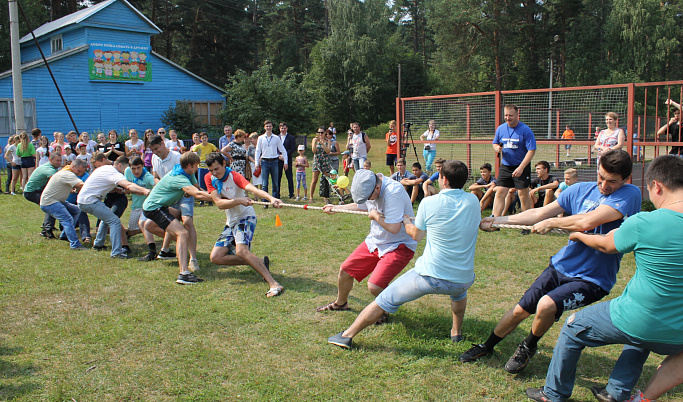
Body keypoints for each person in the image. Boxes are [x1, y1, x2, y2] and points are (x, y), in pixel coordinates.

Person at [460, 150, 641, 375]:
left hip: (592, 279)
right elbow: (539, 213)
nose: (604, 185)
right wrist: (499, 219)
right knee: (519, 310)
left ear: (625, 179)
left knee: (546, 304)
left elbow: (587, 221)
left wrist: (556, 223)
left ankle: (528, 346)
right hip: (561, 266)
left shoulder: (630, 194)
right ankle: (486, 346)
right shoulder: (580, 190)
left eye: (612, 181)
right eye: (601, 177)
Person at [526, 154, 683, 402]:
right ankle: (616, 393)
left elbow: (606, 245)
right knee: (640, 339)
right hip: (678, 332)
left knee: (572, 327)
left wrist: (579, 235)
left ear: (657, 186)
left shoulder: (645, 221)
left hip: (636, 318)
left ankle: (553, 394)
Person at [327, 160, 480, 349]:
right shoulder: (473, 201)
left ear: (443, 179)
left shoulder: (429, 203)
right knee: (459, 294)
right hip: (463, 278)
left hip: (430, 276)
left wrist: (406, 221)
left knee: (384, 298)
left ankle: (347, 335)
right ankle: (456, 333)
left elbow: (416, 235)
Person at [317, 169, 418, 326]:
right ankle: (341, 303)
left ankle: (384, 308)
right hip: (376, 240)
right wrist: (337, 208)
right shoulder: (370, 185)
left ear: (377, 188)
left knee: (374, 286)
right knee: (345, 271)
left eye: (369, 196)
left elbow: (394, 228)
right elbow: (362, 205)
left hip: (399, 245)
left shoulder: (393, 192)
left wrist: (376, 216)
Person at [204, 152, 285, 297]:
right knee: (215, 257)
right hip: (231, 221)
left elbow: (253, 189)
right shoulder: (209, 178)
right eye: (211, 170)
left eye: (216, 169)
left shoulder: (234, 176)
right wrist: (239, 200)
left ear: (224, 164)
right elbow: (219, 204)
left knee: (241, 251)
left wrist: (271, 198)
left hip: (246, 216)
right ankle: (258, 262)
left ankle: (274, 284)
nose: (214, 173)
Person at [142, 152, 214, 284]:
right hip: (154, 207)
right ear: (189, 165)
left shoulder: (187, 172)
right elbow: (197, 194)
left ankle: (166, 252)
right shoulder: (178, 176)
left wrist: (213, 195)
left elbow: (196, 189)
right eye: (196, 166)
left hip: (161, 206)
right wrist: (219, 199)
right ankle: (184, 274)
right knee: (182, 233)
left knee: (174, 224)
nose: (197, 169)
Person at [77, 156, 150, 258]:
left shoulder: (105, 168)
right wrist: (145, 190)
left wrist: (115, 189)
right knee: (114, 221)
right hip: (89, 201)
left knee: (107, 217)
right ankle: (117, 252)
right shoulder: (114, 172)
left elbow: (99, 183)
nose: (124, 173)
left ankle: (98, 244)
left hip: (84, 199)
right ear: (120, 165)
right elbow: (128, 185)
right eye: (125, 170)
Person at [149, 134, 195, 262]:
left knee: (187, 222)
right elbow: (155, 176)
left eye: (157, 148)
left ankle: (193, 258)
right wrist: (160, 186)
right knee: (167, 223)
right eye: (153, 150)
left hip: (183, 194)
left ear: (163, 143)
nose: (155, 152)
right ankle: (167, 249)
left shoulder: (177, 157)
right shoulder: (154, 158)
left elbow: (187, 177)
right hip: (168, 197)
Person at [491, 104, 537, 216]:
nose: (508, 118)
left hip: (521, 165)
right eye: (506, 115)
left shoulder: (525, 130)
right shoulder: (501, 128)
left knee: (523, 194)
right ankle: (494, 220)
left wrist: (521, 168)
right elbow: (495, 143)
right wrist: (497, 147)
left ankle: (526, 222)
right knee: (500, 192)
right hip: (506, 166)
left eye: (510, 115)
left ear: (517, 114)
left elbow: (532, 150)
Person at [39, 159, 88, 250]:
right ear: (72, 166)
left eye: (82, 172)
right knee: (67, 219)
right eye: (78, 171)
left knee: (77, 210)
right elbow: (81, 185)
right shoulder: (67, 174)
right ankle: (75, 245)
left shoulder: (65, 171)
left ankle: (64, 235)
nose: (79, 174)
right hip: (50, 202)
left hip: (56, 201)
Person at [124, 157, 156, 260]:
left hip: (146, 206)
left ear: (143, 166)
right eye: (133, 168)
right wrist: (138, 191)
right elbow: (126, 190)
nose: (136, 171)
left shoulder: (147, 176)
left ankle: (152, 251)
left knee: (143, 224)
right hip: (135, 207)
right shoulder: (127, 172)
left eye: (138, 168)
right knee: (131, 231)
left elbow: (156, 186)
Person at [23, 151, 61, 238]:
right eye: (57, 160)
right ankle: (46, 231)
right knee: (51, 205)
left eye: (60, 160)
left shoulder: (52, 167)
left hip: (38, 190)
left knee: (51, 204)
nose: (59, 163)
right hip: (31, 192)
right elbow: (58, 182)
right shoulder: (49, 169)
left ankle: (47, 227)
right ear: (50, 159)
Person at [254, 120, 287, 201]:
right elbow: (258, 151)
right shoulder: (261, 138)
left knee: (275, 183)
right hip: (264, 161)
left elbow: (283, 150)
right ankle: (265, 202)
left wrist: (285, 162)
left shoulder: (276, 138)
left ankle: (275, 200)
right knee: (265, 184)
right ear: (264, 127)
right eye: (267, 126)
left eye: (270, 126)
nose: (268, 128)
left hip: (274, 161)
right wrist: (256, 162)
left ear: (272, 127)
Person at [190, 132, 218, 199]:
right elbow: (191, 151)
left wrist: (213, 158)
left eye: (205, 138)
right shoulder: (198, 146)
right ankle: (202, 199)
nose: (204, 139)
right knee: (201, 183)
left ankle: (211, 197)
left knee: (210, 182)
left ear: (207, 138)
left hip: (208, 167)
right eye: (203, 138)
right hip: (201, 167)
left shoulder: (211, 145)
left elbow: (217, 151)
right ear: (200, 139)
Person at [308, 127, 330, 202]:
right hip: (317, 161)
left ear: (325, 133)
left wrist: (322, 143)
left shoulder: (328, 141)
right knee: (314, 180)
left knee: (326, 179)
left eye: (322, 132)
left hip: (325, 161)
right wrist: (315, 142)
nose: (320, 134)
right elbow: (314, 151)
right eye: (319, 132)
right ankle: (311, 196)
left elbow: (328, 151)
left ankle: (325, 197)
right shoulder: (314, 140)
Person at [278, 122, 297, 199]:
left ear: (287, 128)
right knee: (278, 177)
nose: (283, 129)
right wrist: (279, 155)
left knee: (289, 177)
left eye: (284, 128)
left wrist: (285, 155)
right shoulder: (277, 137)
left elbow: (292, 148)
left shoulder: (291, 138)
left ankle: (291, 194)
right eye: (282, 128)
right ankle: (277, 194)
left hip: (288, 159)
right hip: (278, 160)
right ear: (279, 129)